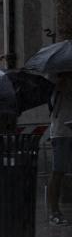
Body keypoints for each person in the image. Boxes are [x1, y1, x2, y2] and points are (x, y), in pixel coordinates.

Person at [49, 74, 72, 226]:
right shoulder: (58, 83)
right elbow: (53, 107)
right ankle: (54, 212)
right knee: (58, 171)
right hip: (62, 132)